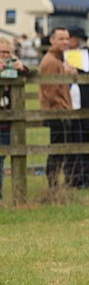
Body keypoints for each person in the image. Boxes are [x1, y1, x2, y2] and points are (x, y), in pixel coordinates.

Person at [38, 28, 77, 191]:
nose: (65, 42)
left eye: (67, 39)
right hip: (57, 113)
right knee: (56, 150)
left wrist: (67, 74)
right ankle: (53, 186)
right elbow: (51, 91)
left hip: (61, 111)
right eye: (61, 39)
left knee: (60, 150)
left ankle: (56, 185)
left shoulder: (58, 60)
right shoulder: (50, 61)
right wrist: (62, 109)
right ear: (52, 40)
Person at [64, 26, 89, 189]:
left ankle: (86, 179)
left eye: (69, 38)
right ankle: (71, 179)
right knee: (68, 143)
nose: (67, 41)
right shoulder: (62, 55)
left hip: (84, 103)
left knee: (83, 143)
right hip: (67, 103)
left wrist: (77, 71)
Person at [0, 37, 30, 200]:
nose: (4, 56)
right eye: (1, 52)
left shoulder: (12, 65)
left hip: (9, 122)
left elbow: (34, 72)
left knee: (6, 158)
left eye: (7, 52)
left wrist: (22, 68)